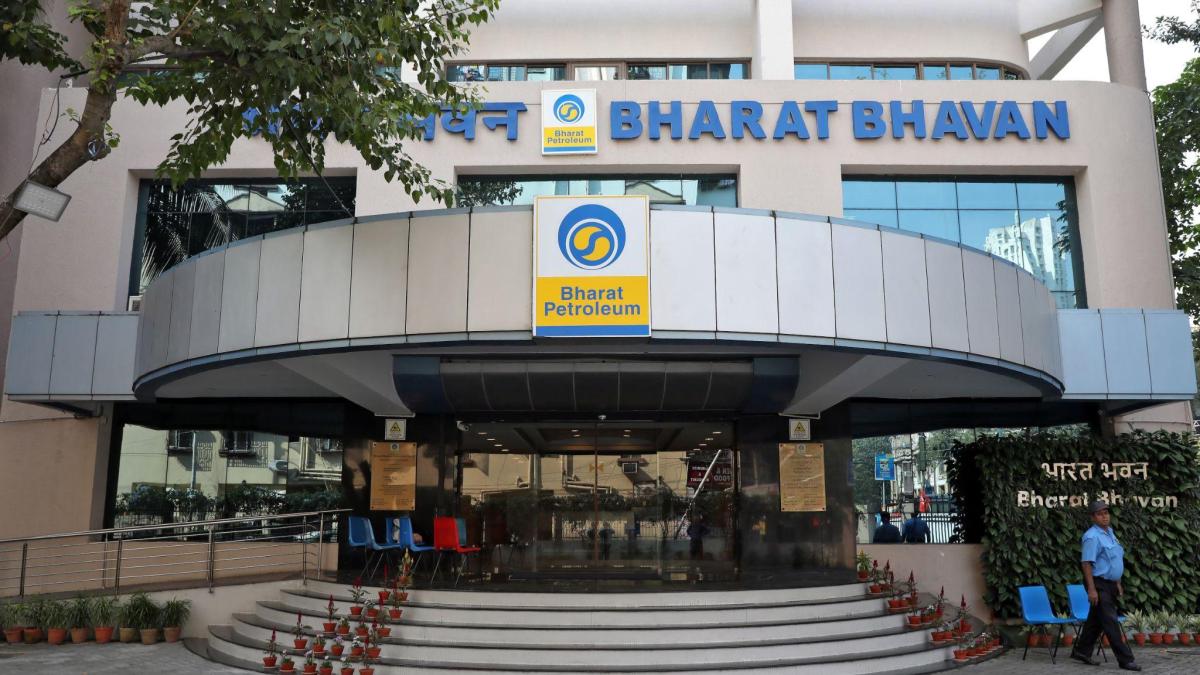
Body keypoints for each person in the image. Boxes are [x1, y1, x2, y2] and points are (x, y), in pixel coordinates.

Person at [1070, 500, 1140, 671]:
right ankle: (1125, 659)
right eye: (1100, 514)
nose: (1105, 517)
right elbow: (1086, 563)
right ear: (1093, 517)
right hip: (1098, 584)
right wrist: (1092, 589)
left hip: (1110, 584)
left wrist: (1118, 582)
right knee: (1110, 621)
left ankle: (1082, 651)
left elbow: (1114, 559)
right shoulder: (1092, 536)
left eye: (1106, 513)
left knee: (1096, 620)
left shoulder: (1110, 533)